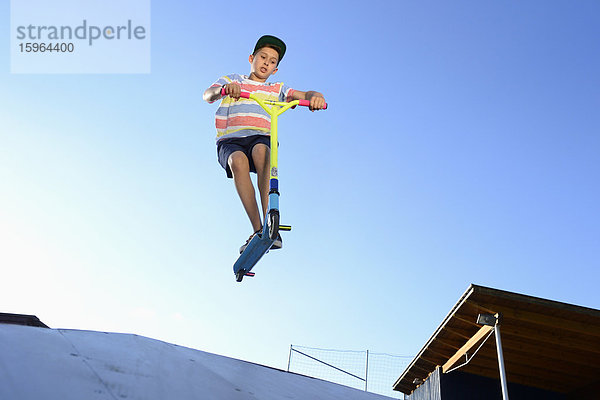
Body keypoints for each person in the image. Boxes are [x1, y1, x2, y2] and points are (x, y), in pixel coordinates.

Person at [203, 35, 326, 253]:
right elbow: (208, 95)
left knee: (262, 152)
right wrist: (225, 90)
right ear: (252, 58)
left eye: (272, 61)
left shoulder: (277, 89)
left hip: (261, 137)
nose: (266, 63)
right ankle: (258, 229)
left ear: (275, 70)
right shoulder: (234, 80)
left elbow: (305, 94)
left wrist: (315, 96)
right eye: (263, 57)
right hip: (231, 139)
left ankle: (271, 224)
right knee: (238, 161)